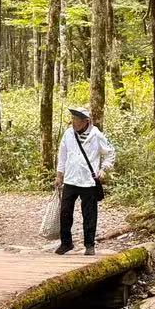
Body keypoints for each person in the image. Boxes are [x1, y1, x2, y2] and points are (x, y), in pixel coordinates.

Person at [55, 106, 115, 255]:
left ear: (85, 121)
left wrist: (103, 169)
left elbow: (110, 153)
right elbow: (62, 155)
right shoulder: (68, 134)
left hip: (88, 180)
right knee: (65, 212)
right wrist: (59, 175)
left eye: (76, 119)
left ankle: (89, 245)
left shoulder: (96, 135)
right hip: (70, 179)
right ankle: (66, 243)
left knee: (89, 213)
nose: (73, 122)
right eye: (72, 119)